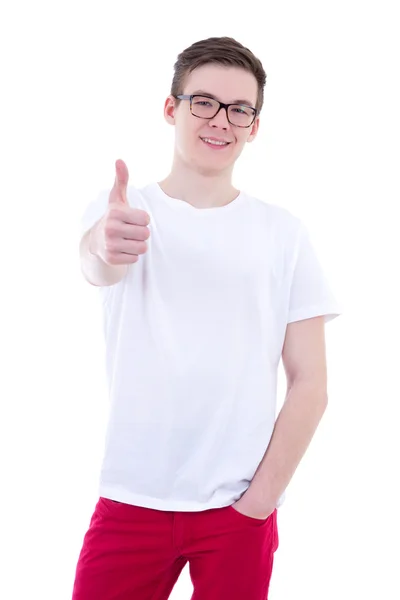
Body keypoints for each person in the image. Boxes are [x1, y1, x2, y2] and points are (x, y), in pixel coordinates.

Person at [73, 36, 342, 600]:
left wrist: (259, 502)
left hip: (237, 511)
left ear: (253, 125)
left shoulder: (283, 233)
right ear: (171, 109)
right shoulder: (124, 209)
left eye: (240, 108)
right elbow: (98, 264)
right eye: (204, 101)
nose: (221, 120)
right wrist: (103, 242)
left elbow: (311, 383)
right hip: (131, 499)